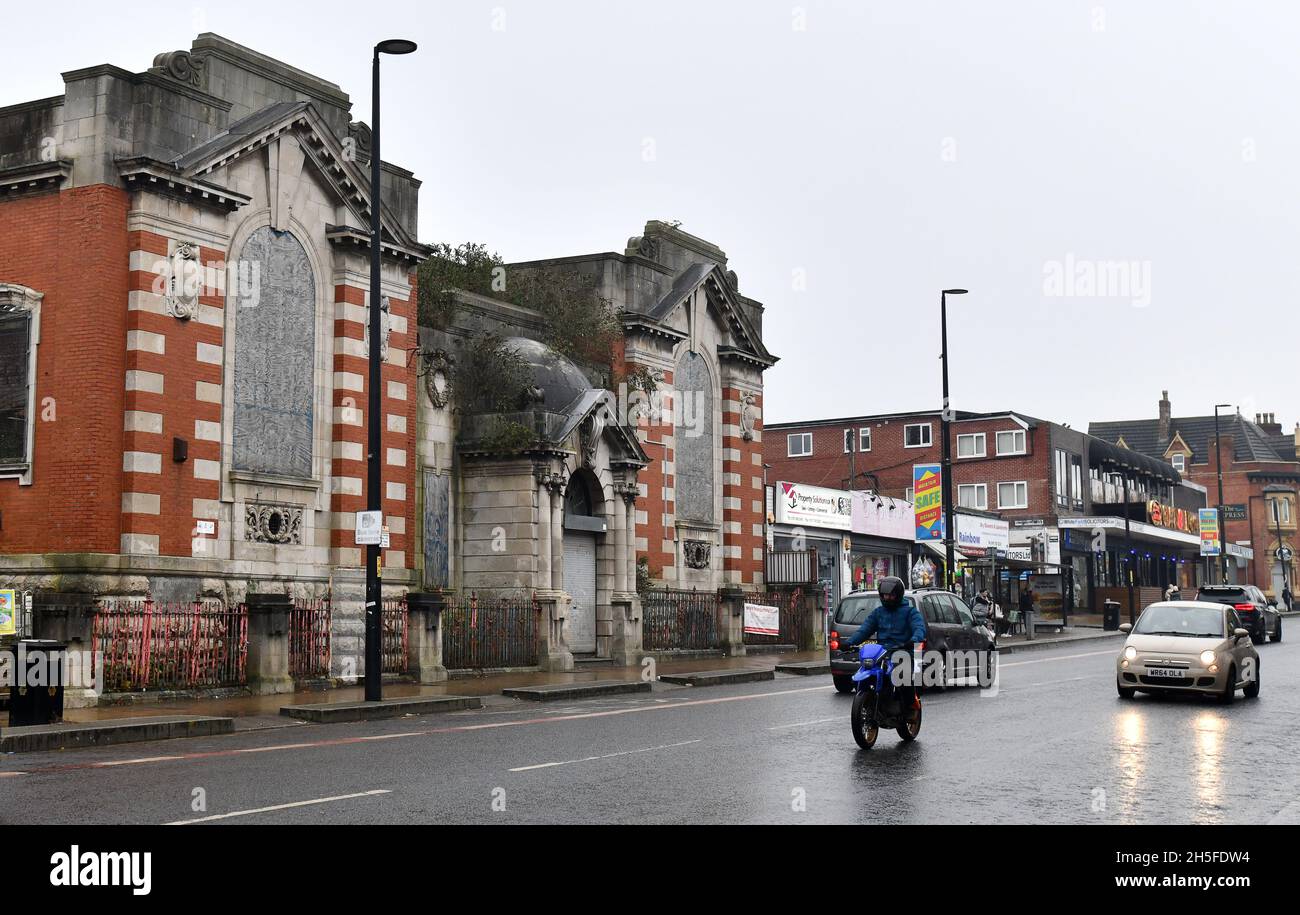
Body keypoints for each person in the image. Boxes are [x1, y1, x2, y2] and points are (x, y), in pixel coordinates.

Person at [843, 576, 927, 712]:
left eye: (891, 595)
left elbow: (919, 628)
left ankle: (911, 706)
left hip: (904, 651)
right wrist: (849, 643)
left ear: (898, 595)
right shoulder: (878, 613)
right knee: (867, 668)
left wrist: (914, 639)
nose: (887, 598)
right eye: (885, 595)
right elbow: (864, 630)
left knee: (903, 676)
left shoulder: (910, 612)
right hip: (883, 652)